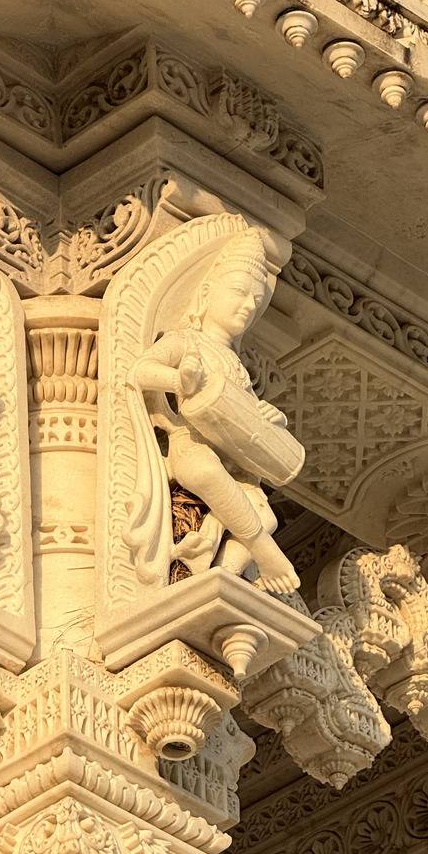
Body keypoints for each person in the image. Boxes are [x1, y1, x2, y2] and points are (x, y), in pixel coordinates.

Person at [132, 232, 300, 593]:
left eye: (255, 300)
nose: (248, 306)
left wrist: (273, 418)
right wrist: (179, 379)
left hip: (235, 459)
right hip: (190, 444)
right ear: (207, 293)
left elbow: (247, 415)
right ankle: (267, 555)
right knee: (205, 471)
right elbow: (140, 371)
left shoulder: (238, 366)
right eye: (239, 292)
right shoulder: (186, 341)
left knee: (266, 515)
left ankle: (220, 575)